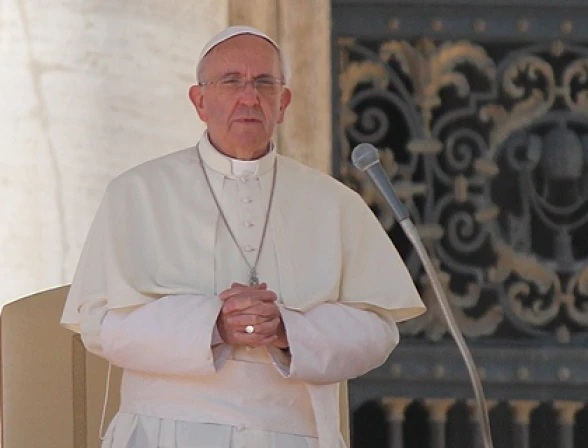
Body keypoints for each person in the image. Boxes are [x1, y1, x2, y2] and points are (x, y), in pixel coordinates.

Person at [60, 25, 426, 448]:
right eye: (231, 82)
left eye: (264, 83)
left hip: (293, 434)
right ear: (200, 101)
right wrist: (212, 324)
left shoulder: (334, 202)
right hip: (166, 432)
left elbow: (378, 330)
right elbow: (98, 325)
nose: (249, 97)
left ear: (283, 102)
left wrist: (288, 329)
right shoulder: (135, 192)